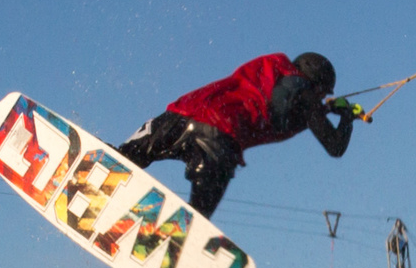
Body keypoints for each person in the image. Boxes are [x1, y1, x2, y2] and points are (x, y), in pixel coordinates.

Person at [115, 52, 361, 218]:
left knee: (126, 157)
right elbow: (334, 146)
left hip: (183, 113)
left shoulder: (271, 69)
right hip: (217, 140)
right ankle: (174, 240)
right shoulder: (305, 95)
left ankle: (116, 162)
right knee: (194, 220)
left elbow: (276, 102)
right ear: (316, 84)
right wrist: (347, 118)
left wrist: (326, 108)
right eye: (322, 93)